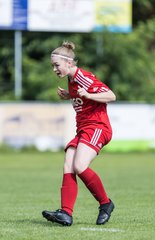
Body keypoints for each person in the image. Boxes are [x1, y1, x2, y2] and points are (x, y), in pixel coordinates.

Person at [42, 41, 116, 226]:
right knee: (69, 164)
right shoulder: (72, 80)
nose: (54, 69)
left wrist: (89, 95)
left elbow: (111, 95)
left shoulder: (84, 77)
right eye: (52, 65)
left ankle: (106, 204)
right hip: (84, 129)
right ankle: (66, 213)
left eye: (56, 65)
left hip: (98, 127)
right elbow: (81, 96)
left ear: (69, 63)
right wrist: (71, 95)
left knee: (80, 165)